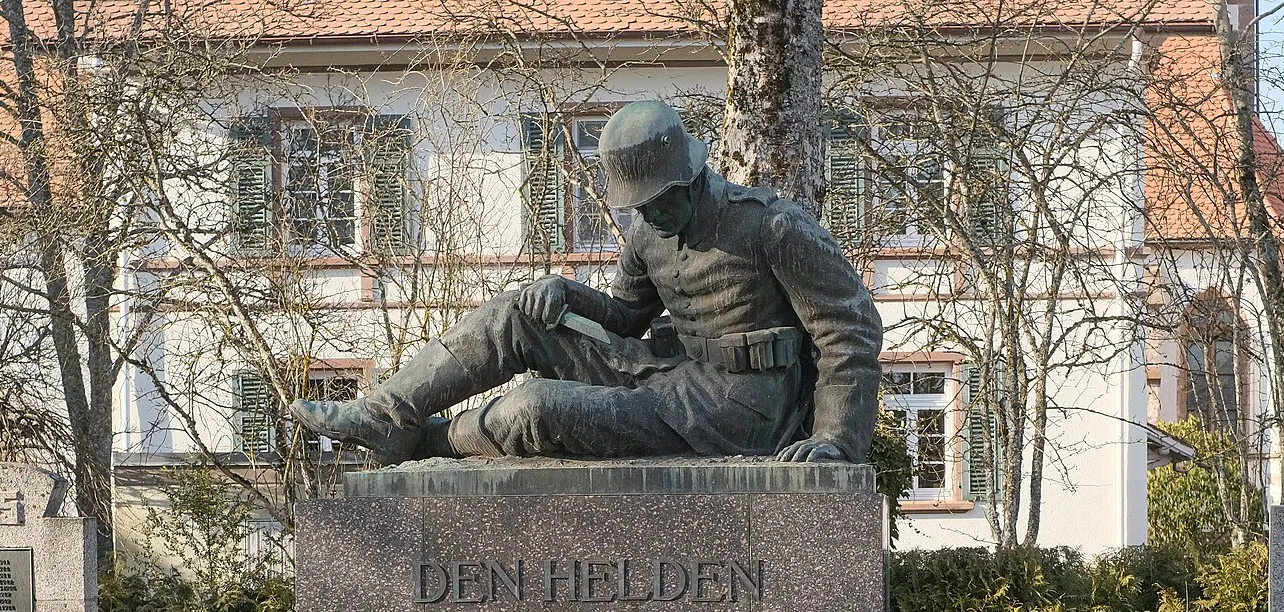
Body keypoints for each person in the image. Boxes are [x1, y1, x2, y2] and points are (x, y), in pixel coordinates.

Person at [290, 100, 882, 464]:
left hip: (739, 411)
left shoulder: (773, 226)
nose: (645, 217)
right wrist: (566, 292)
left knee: (537, 408)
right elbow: (626, 316)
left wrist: (836, 440)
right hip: (668, 374)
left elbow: (849, 331)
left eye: (655, 203)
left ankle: (430, 441)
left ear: (689, 177)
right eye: (636, 207)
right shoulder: (650, 232)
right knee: (517, 312)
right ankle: (387, 415)